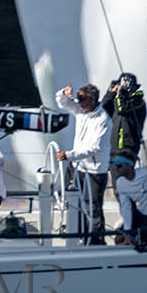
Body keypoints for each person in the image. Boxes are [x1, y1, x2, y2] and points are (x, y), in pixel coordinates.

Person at [55, 83, 112, 244]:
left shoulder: (103, 120)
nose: (79, 104)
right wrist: (64, 93)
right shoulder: (81, 110)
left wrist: (68, 155)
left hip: (94, 170)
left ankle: (96, 241)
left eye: (82, 101)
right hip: (77, 166)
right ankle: (79, 236)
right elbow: (62, 102)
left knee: (92, 206)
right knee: (73, 201)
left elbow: (94, 148)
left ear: (92, 100)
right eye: (78, 100)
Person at [101, 72, 147, 164]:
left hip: (127, 149)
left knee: (120, 171)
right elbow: (103, 110)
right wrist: (110, 93)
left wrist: (120, 94)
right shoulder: (117, 100)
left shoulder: (138, 101)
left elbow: (122, 109)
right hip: (112, 148)